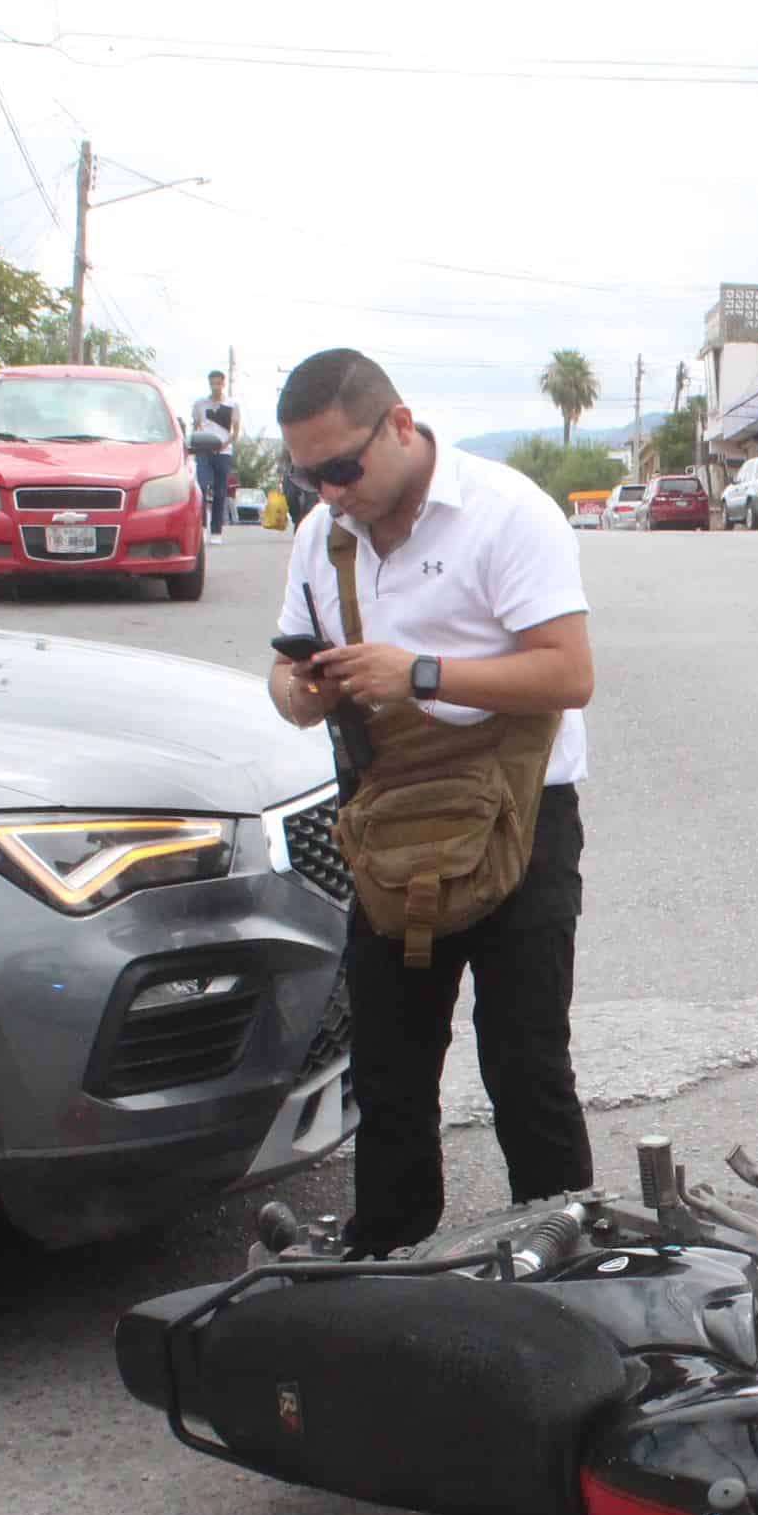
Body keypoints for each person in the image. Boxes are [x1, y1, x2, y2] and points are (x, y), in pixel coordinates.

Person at [265, 348, 598, 1255]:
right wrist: (304, 694)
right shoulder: (319, 539)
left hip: (520, 821)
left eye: (343, 467)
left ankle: (571, 1257)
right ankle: (388, 1254)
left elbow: (570, 673)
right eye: (309, 474)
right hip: (392, 825)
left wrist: (415, 673)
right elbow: (287, 675)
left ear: (400, 425)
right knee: (390, 1067)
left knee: (524, 1063)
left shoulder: (506, 514)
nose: (330, 491)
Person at [189, 369, 240, 538]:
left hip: (224, 451)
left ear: (223, 384)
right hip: (203, 450)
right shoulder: (200, 404)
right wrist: (195, 442)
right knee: (201, 486)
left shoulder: (232, 405)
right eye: (212, 383)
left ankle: (216, 530)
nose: (215, 386)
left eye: (218, 383)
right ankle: (202, 527)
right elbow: (196, 425)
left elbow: (235, 432)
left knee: (221, 491)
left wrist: (224, 444)